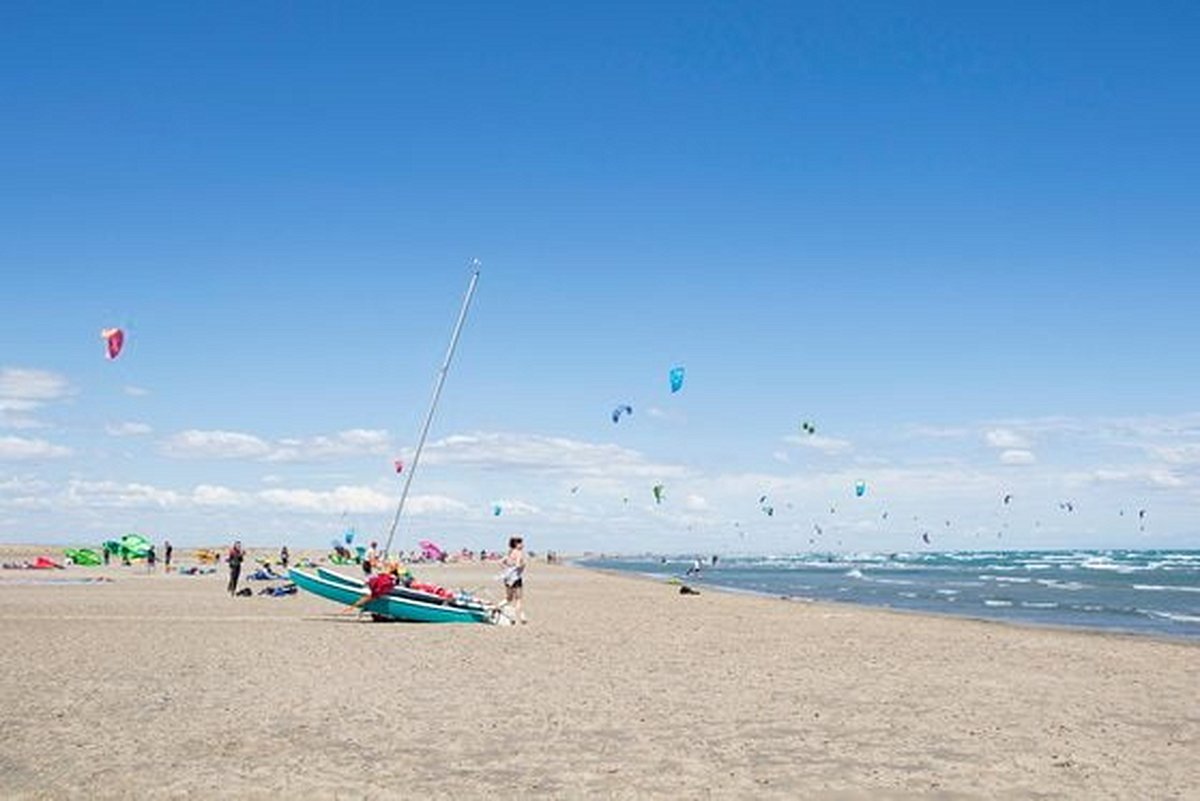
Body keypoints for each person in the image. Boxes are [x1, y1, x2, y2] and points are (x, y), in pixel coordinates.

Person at [500, 536, 528, 624]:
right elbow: (518, 564)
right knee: (518, 599)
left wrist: (507, 569)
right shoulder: (519, 552)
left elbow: (500, 562)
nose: (523, 545)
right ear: (516, 544)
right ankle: (519, 618)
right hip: (516, 578)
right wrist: (521, 566)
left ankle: (497, 607)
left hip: (507, 577)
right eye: (521, 543)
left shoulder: (510, 552)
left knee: (509, 599)